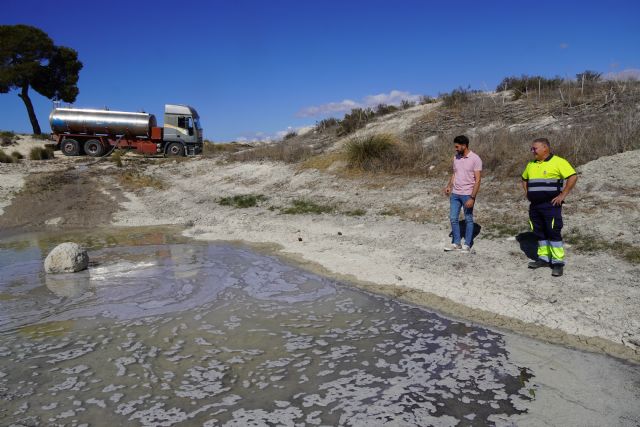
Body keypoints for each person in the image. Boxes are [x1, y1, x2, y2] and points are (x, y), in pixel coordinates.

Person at [521, 138, 577, 277]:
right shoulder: (531, 164)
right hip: (535, 206)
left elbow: (573, 177)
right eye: (532, 148)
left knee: (553, 231)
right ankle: (544, 259)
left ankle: (557, 263)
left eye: (535, 148)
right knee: (539, 232)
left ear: (545, 148)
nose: (532, 151)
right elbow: (524, 179)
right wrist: (527, 192)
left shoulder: (559, 162)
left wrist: (563, 195)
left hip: (550, 205)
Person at [443, 135, 482, 252]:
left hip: (467, 195)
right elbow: (454, 174)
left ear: (464, 146)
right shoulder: (456, 158)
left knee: (468, 219)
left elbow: (478, 179)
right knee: (453, 218)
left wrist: (472, 197)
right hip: (455, 194)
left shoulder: (475, 159)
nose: (455, 149)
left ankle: (467, 244)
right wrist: (449, 186)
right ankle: (456, 243)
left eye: (457, 146)